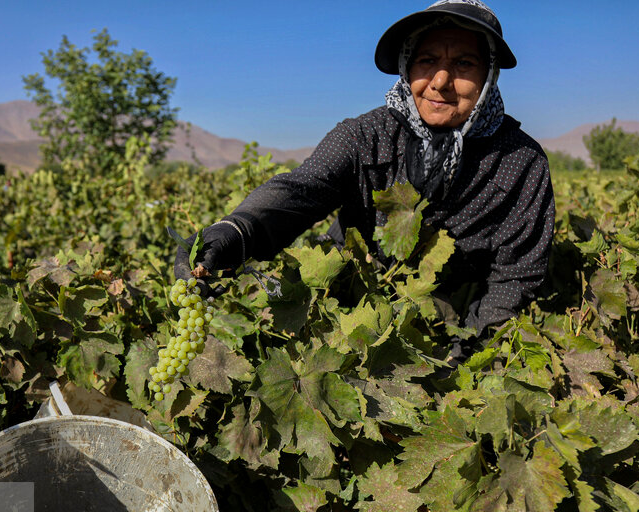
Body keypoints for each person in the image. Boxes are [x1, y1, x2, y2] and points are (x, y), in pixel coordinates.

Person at [175, 0, 555, 364]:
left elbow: (515, 277)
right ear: (407, 67)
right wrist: (236, 230)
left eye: (464, 63)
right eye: (427, 61)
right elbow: (300, 189)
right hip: (346, 305)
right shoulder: (365, 136)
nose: (440, 81)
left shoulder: (521, 163)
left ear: (488, 75)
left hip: (448, 326)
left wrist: (469, 355)